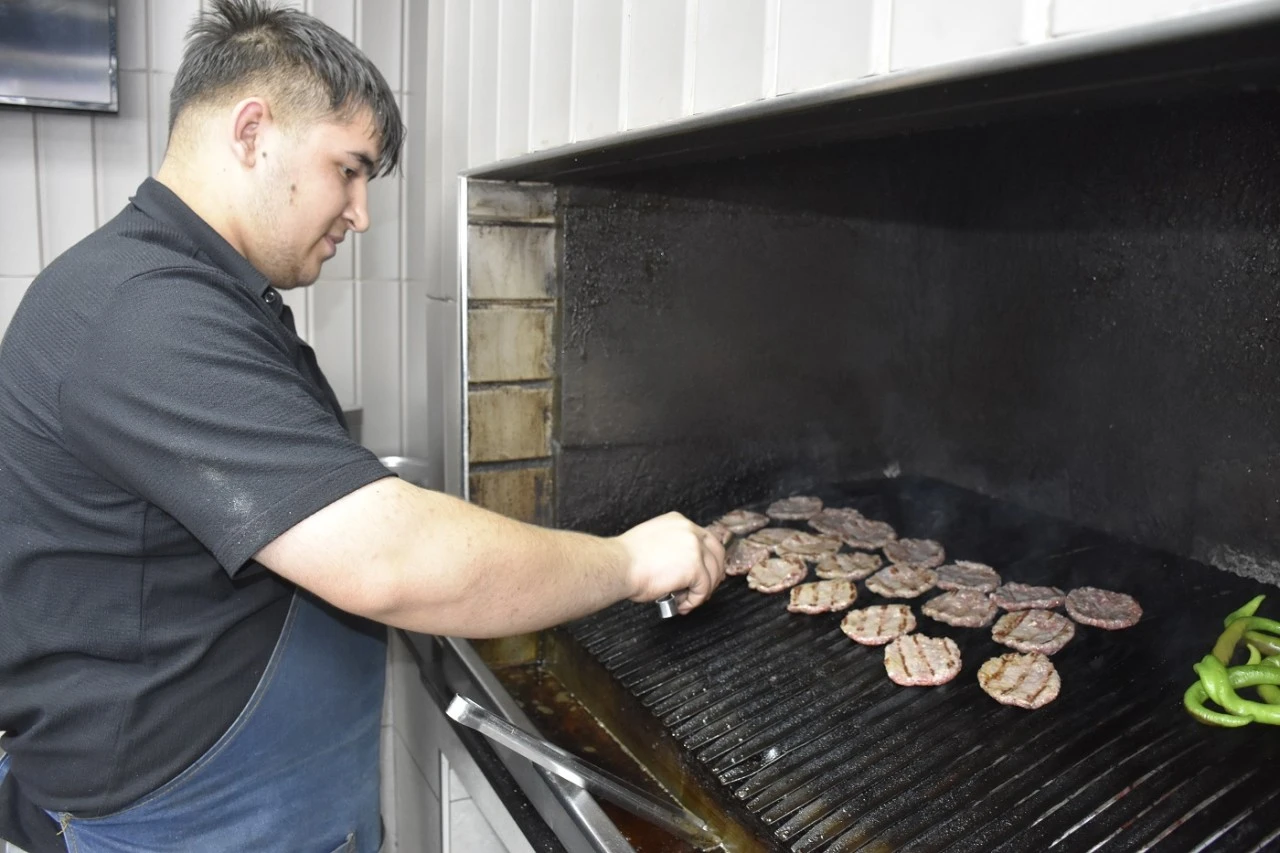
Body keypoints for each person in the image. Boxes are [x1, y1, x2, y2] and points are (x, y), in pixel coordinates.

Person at [0, 2, 726, 850]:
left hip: (263, 808)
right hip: (184, 825)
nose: (360, 212)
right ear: (251, 132)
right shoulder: (141, 315)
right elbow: (386, 558)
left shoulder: (195, 296)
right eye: (348, 170)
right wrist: (630, 561)